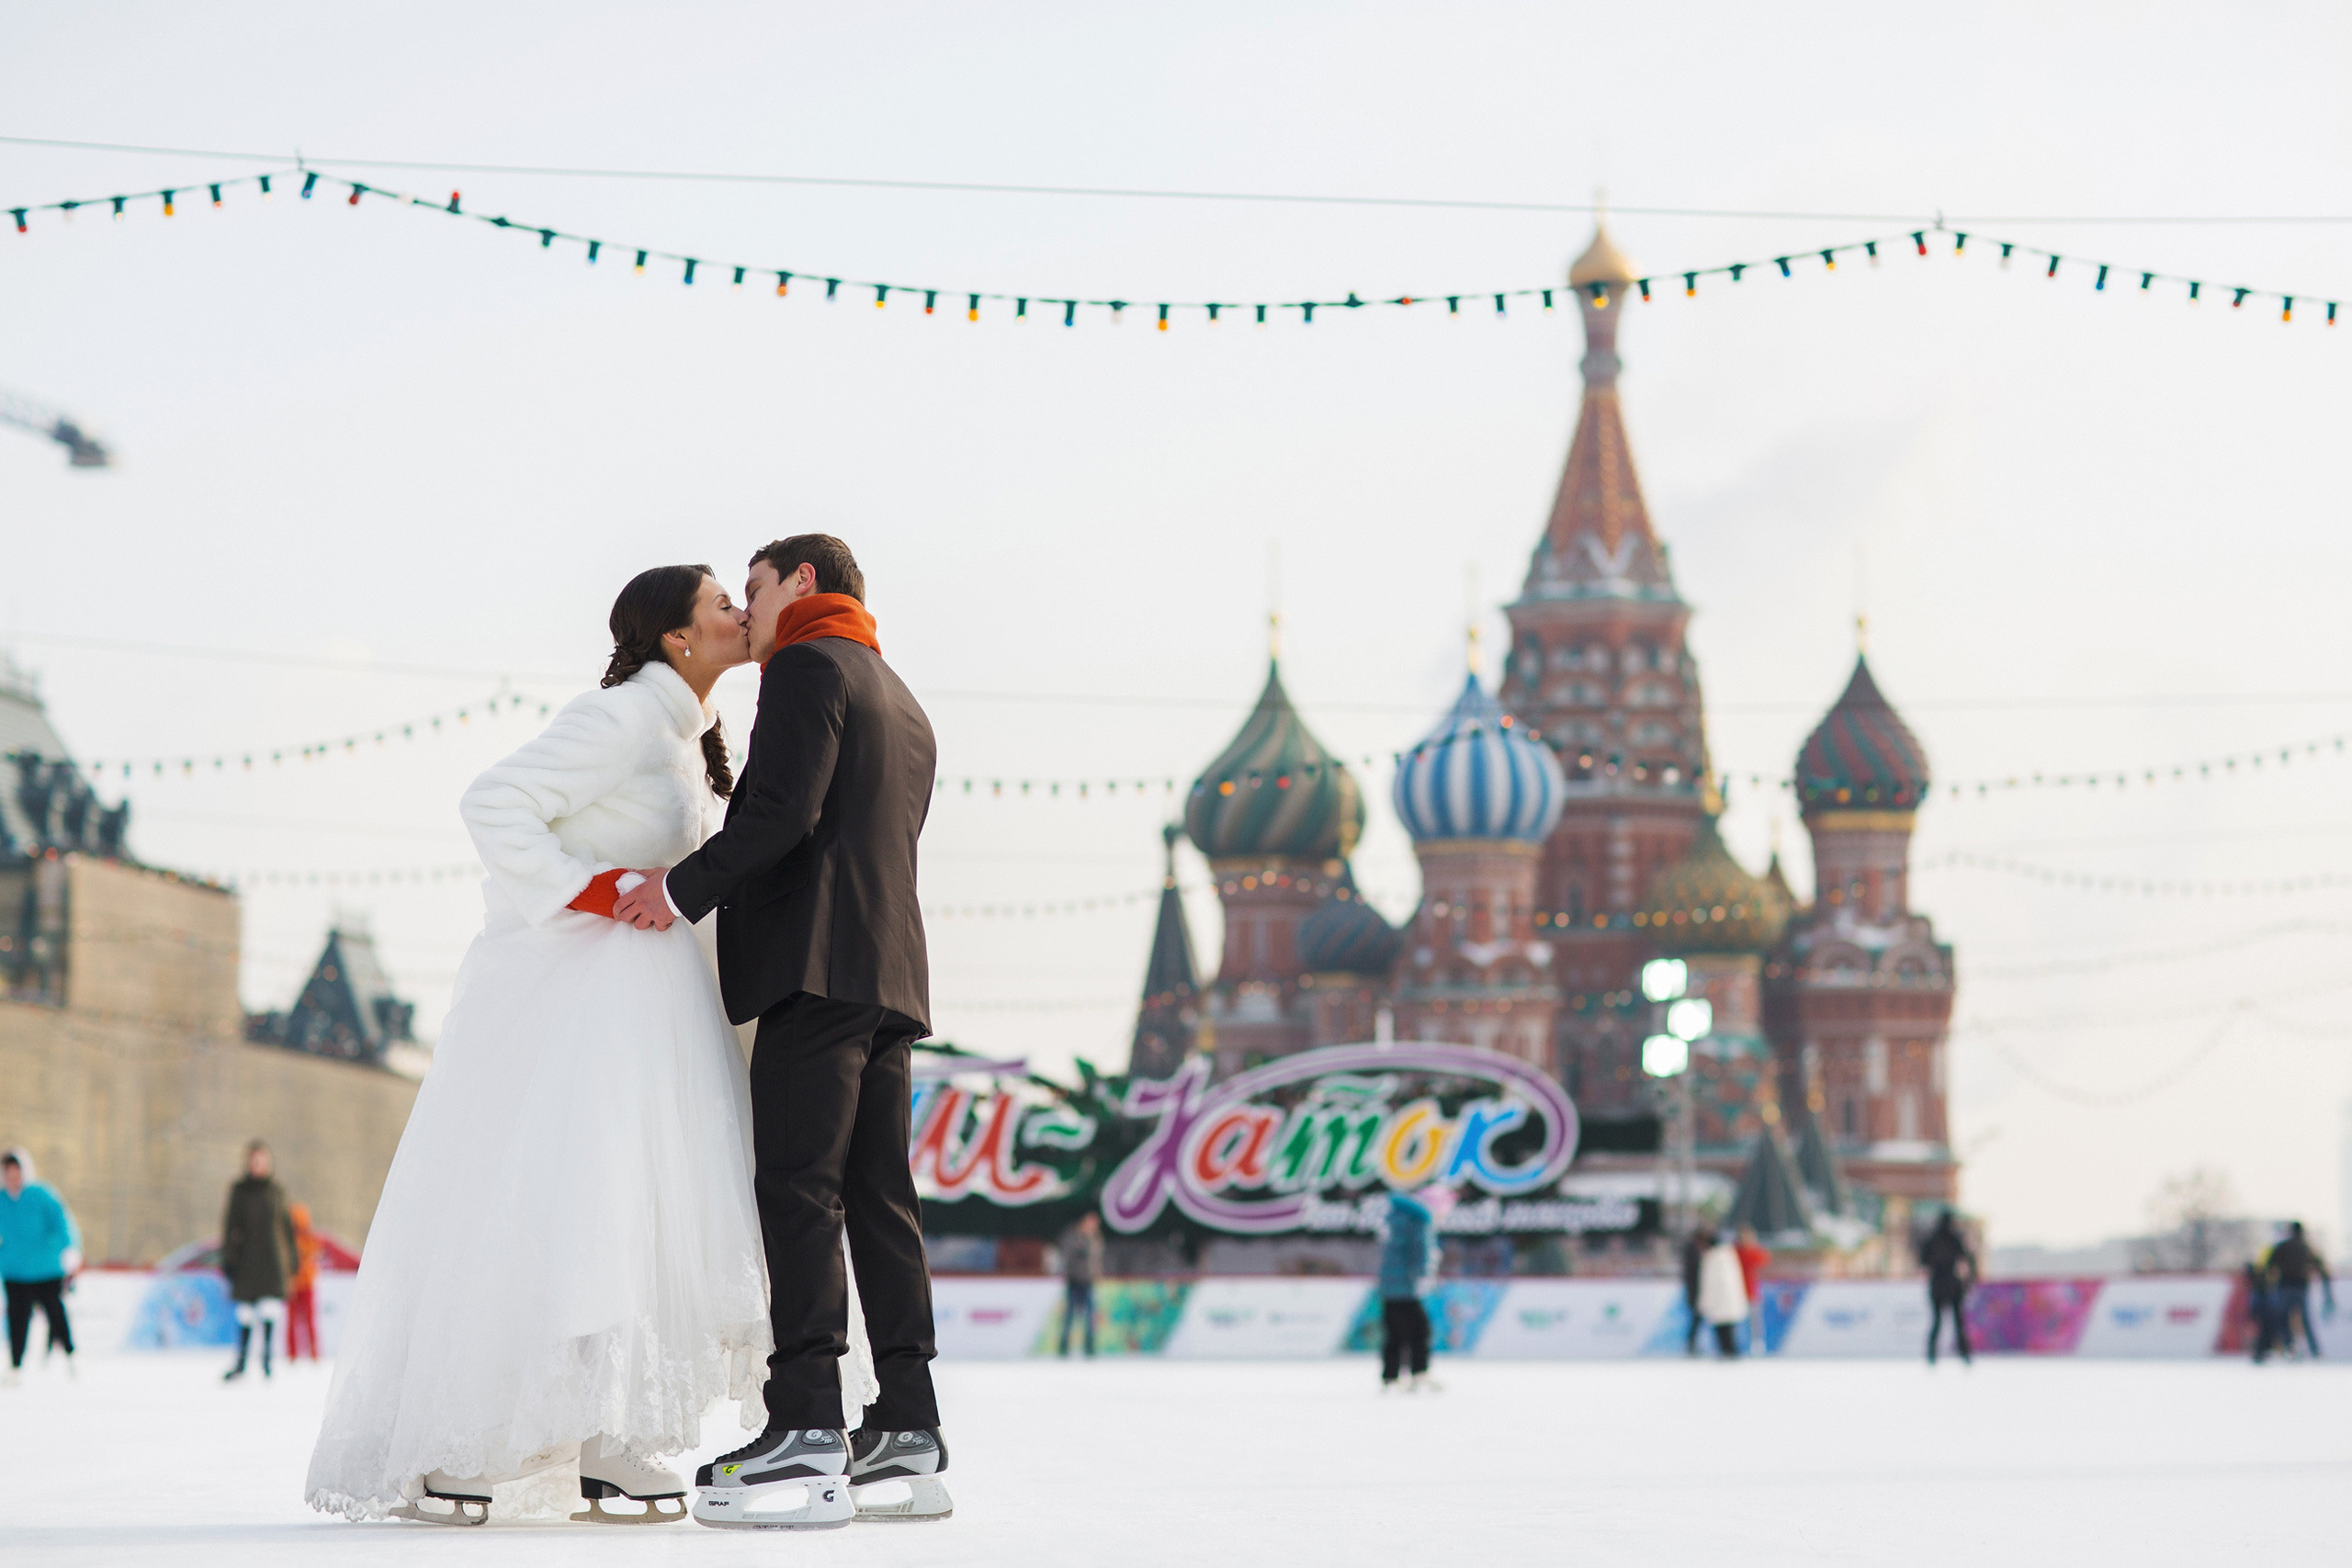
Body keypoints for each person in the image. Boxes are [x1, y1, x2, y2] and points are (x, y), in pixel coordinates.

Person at [308, 565, 854, 1526]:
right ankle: (466, 1448)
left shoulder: (686, 735)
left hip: (650, 1008)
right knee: (562, 1202)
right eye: (719, 603)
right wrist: (588, 888)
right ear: (678, 640)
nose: (737, 613)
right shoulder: (622, 719)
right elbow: (494, 801)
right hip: (582, 1003)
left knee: (633, 1211)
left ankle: (608, 1441)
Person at [613, 536, 951, 1526]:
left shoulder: (808, 665)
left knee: (799, 1191)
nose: (747, 611)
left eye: (752, 589)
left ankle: (805, 1424)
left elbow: (782, 814)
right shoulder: (902, 695)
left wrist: (676, 891)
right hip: (889, 975)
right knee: (880, 1197)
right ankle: (908, 1424)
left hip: (816, 969)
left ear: (803, 584)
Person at [1, 1147, 80, 1384]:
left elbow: (62, 1221)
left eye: (16, 1172)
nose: (13, 1178)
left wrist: (69, 1250)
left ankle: (70, 1356)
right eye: (8, 1173)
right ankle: (16, 1365)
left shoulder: (42, 1195)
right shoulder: (2, 1201)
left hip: (46, 1267)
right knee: (17, 1318)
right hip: (14, 1270)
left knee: (55, 1313)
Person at [220, 1141, 298, 1382]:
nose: (258, 1165)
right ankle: (241, 1362)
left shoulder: (276, 1191)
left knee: (269, 1309)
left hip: (272, 1261)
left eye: (262, 1160)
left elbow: (286, 1227)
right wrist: (229, 1258)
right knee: (244, 1312)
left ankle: (267, 1361)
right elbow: (230, 1225)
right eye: (254, 1160)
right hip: (246, 1260)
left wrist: (292, 1258)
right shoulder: (239, 1191)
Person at [1375, 1186, 1450, 1392]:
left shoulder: (1396, 1218)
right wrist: (1425, 1275)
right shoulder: (1420, 1221)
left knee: (1394, 1333)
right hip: (1407, 1286)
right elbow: (1421, 1252)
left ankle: (1391, 1376)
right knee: (1420, 1331)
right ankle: (1419, 1372)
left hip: (1390, 1285)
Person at [2265, 1221, 2334, 1359]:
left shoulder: (2282, 1246)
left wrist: (2270, 1283)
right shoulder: (2306, 1248)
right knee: (2305, 1319)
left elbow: (2270, 1265)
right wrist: (2326, 1286)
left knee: (2283, 1318)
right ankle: (2315, 1351)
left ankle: (2291, 1346)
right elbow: (2319, 1266)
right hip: (2301, 1287)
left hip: (2284, 1286)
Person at [1918, 1211, 1975, 1366]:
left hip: (1937, 1285)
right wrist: (1969, 1280)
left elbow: (1923, 1261)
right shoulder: (1955, 1238)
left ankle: (1931, 1355)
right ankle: (1965, 1355)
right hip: (1952, 1284)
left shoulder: (1931, 1239)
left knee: (1937, 1321)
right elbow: (1967, 1259)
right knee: (1958, 1323)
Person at [1697, 1229, 1749, 1359]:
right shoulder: (1729, 1256)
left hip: (1719, 1303)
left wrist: (1705, 1302)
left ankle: (1728, 1355)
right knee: (1729, 1331)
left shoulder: (1712, 1259)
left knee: (1723, 1332)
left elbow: (1709, 1283)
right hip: (1729, 1303)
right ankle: (1730, 1354)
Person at [1058, 1212, 1103, 1358]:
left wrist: (1097, 1273)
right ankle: (1064, 1344)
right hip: (1074, 1279)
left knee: (1089, 1315)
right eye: (1090, 1222)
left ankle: (1089, 1345)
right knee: (1070, 1314)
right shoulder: (1074, 1236)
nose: (1093, 1225)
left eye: (1095, 1223)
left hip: (1088, 1281)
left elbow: (1096, 1258)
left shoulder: (1096, 1238)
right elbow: (1067, 1254)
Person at [286, 1202, 322, 1362]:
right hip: (294, 1285)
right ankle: (294, 1354)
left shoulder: (309, 1239)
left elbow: (316, 1252)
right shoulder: (289, 1240)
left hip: (304, 1284)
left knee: (307, 1321)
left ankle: (312, 1353)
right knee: (294, 1322)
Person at [1734, 1225, 1771, 1356]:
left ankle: (1756, 1345)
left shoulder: (1753, 1251)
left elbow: (1764, 1259)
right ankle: (1739, 1346)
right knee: (1737, 1321)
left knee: (1754, 1321)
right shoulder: (1736, 1251)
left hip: (1751, 1292)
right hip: (1737, 1293)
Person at [2245, 1258, 2283, 1364]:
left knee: (2267, 1327)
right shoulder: (2265, 1270)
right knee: (2265, 1328)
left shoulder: (2267, 1267)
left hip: (2266, 1301)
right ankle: (2262, 1351)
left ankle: (2263, 1350)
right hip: (2265, 1301)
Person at [1679, 1228, 1708, 1358]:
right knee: (1695, 1320)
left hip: (1694, 1292)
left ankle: (1692, 1344)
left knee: (1696, 1320)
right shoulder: (1693, 1251)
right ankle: (1691, 1345)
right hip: (1695, 1292)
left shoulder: (1692, 1250)